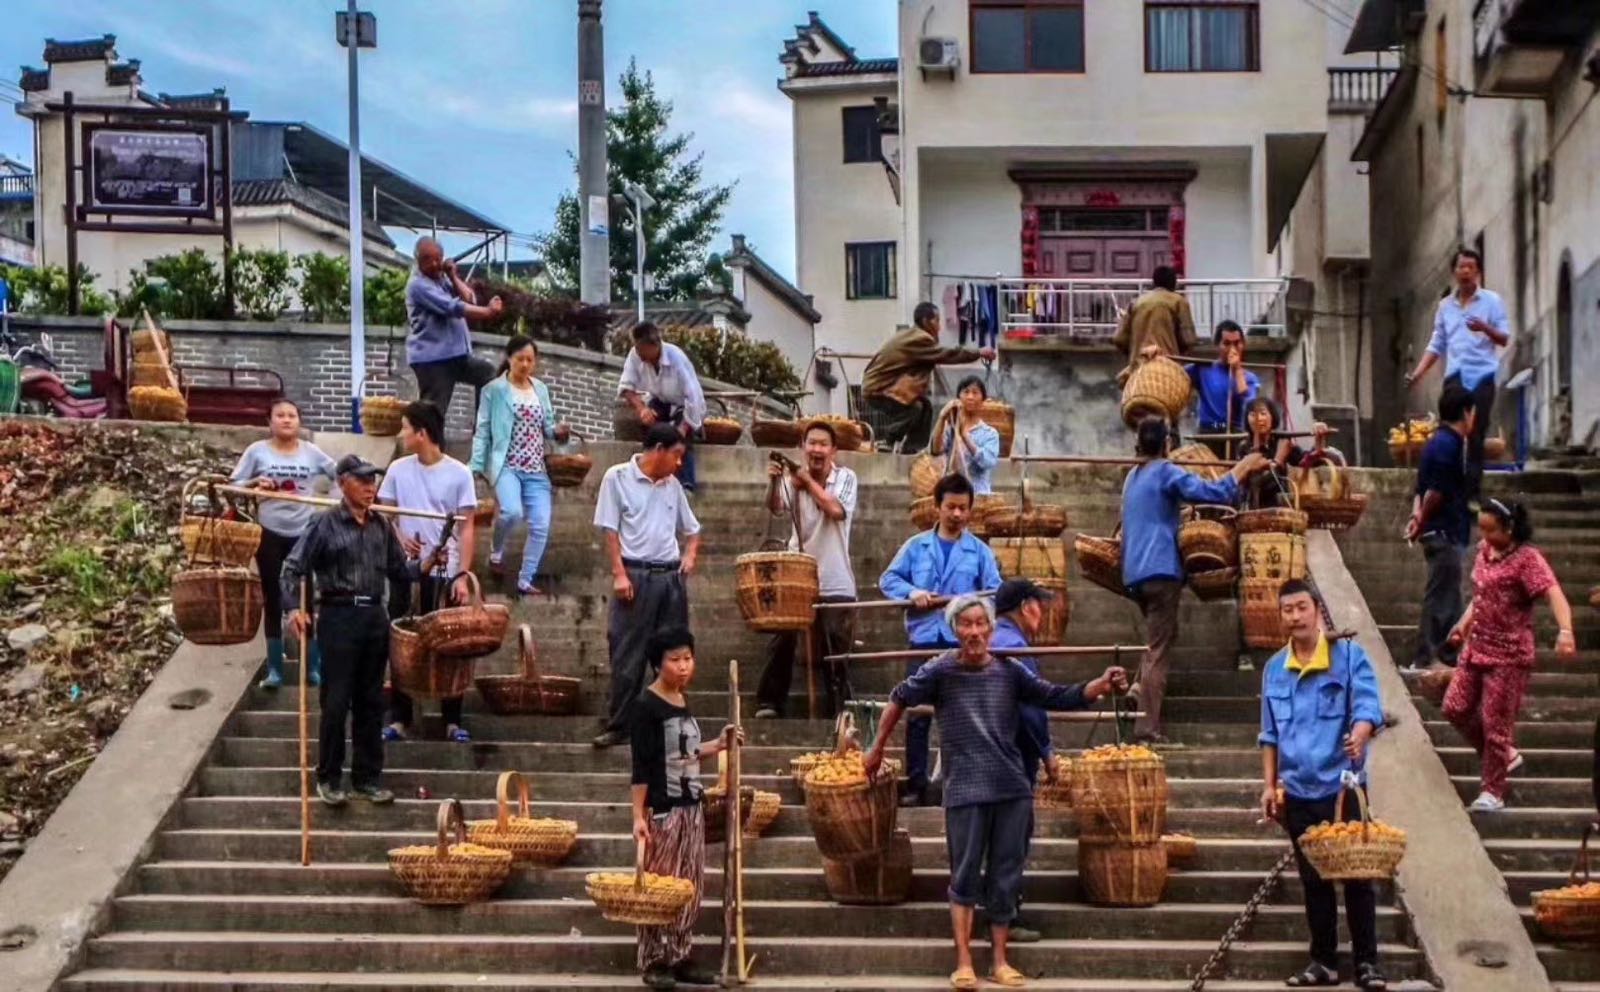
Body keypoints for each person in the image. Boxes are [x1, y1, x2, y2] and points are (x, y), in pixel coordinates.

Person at [862, 594, 1128, 991]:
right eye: (965, 625)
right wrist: (876, 747)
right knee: (965, 874)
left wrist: (1098, 686)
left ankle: (1000, 961)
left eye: (979, 624)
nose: (973, 632)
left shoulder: (1009, 670)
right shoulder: (940, 670)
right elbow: (899, 697)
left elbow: (1054, 696)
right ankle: (965, 961)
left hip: (1011, 787)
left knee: (1006, 874)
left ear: (990, 629)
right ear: (955, 631)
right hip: (966, 788)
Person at [1258, 580, 1386, 991]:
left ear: (1318, 610)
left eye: (1301, 607)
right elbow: (1269, 734)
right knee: (1313, 882)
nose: (1294, 616)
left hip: (1343, 788)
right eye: (1287, 610)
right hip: (1298, 790)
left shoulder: (1348, 657)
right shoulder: (1274, 669)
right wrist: (1268, 785)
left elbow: (1368, 704)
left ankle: (1367, 963)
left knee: (1358, 878)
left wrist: (1362, 731)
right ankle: (1324, 962)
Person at [282, 455, 423, 807]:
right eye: (361, 480)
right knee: (336, 700)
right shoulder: (324, 524)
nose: (369, 487)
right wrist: (294, 609)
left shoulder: (381, 526)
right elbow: (292, 568)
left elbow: (400, 571)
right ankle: (329, 777)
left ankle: (367, 778)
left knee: (371, 701)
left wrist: (429, 561)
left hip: (374, 614)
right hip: (338, 614)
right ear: (343, 482)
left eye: (372, 481)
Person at [1122, 417, 1269, 744]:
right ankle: (1146, 728)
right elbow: (1212, 492)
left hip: (1134, 570)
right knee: (1159, 647)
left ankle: (1137, 687)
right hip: (1160, 569)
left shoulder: (1133, 476)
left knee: (1160, 635)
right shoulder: (1165, 470)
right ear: (1167, 444)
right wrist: (1242, 467)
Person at [1442, 499, 1577, 811]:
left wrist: (1565, 631)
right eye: (1482, 528)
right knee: (1455, 706)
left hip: (1509, 655)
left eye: (1491, 529)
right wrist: (1462, 626)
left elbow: (1554, 593)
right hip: (1476, 647)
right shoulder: (1484, 552)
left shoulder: (1527, 559)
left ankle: (1493, 791)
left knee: (1495, 724)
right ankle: (1507, 755)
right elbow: (1481, 596)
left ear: (1510, 528)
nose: (1484, 535)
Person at [879, 473, 1004, 805]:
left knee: (963, 714)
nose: (957, 515)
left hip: (960, 644)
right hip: (923, 638)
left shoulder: (979, 552)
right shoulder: (916, 546)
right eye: (951, 507)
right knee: (917, 712)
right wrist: (913, 592)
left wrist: (970, 611)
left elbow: (994, 592)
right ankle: (918, 784)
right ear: (937, 507)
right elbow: (888, 579)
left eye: (963, 508)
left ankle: (960, 783)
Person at [629, 627, 738, 990]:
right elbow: (642, 766)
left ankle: (680, 954)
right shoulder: (646, 706)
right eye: (674, 660)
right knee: (661, 886)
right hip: (663, 810)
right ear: (658, 664)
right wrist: (637, 817)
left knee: (689, 885)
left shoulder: (681, 700)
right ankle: (653, 960)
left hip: (692, 807)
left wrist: (719, 744)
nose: (682, 666)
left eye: (687, 658)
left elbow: (686, 753)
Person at [592, 423, 702, 748]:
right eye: (676, 455)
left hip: (670, 576)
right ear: (658, 450)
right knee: (627, 654)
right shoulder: (617, 477)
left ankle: (668, 724)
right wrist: (619, 573)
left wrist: (690, 554)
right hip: (635, 574)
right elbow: (610, 530)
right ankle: (620, 724)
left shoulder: (673, 487)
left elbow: (693, 529)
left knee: (674, 653)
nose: (679, 463)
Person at [379, 401, 477, 744]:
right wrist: (400, 538)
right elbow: (385, 515)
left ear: (422, 433)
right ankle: (401, 717)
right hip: (407, 571)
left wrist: (462, 574)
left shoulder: (459, 473)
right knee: (404, 643)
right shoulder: (398, 470)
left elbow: (466, 528)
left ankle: (452, 718)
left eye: (405, 427)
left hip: (445, 570)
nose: (402, 434)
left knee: (452, 644)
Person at [754, 420, 859, 719]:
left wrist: (806, 482)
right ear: (803, 448)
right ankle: (770, 702)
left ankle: (841, 710)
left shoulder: (846, 477)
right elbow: (775, 507)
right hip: (796, 575)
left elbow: (836, 510)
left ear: (833, 450)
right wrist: (776, 481)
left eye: (823, 444)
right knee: (782, 637)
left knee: (836, 650)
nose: (816, 449)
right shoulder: (792, 480)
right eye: (811, 443)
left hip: (836, 577)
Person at [230, 398, 336, 689]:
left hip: (304, 533)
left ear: (299, 421)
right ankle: (275, 669)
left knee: (306, 596)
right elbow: (233, 484)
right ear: (270, 421)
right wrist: (255, 484)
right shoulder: (257, 451)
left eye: (292, 415)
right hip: (270, 532)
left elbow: (340, 473)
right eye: (280, 415)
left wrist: (333, 504)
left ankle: (312, 666)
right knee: (273, 598)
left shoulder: (312, 452)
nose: (287, 420)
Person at [987, 578, 1060, 945]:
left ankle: (993, 910)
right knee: (1011, 838)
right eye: (1040, 604)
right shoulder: (1015, 647)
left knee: (992, 837)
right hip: (1013, 755)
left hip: (984, 756)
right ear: (1027, 606)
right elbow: (1031, 709)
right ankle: (1005, 916)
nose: (1042, 612)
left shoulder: (989, 641)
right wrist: (1047, 752)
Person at [1404, 247, 1509, 504]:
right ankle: (1437, 486)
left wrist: (1484, 327)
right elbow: (1436, 345)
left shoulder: (1492, 301)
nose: (1465, 272)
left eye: (1470, 267)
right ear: (1454, 271)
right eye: (1461, 267)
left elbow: (1504, 338)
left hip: (1482, 376)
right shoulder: (1445, 307)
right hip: (1455, 377)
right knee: (1446, 433)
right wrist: (1418, 373)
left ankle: (1471, 495)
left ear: (1478, 272)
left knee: (1475, 435)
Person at [470, 335, 571, 596]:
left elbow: (547, 425)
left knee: (541, 524)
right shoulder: (493, 390)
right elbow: (482, 430)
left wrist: (558, 431)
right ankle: (496, 550)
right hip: (507, 465)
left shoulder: (540, 389)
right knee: (512, 512)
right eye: (520, 359)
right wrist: (476, 465)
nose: (525, 364)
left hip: (536, 468)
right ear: (509, 359)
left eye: (530, 360)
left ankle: (525, 579)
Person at [1404, 384, 1476, 671]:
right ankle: (1425, 658)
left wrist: (1416, 517)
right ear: (1466, 413)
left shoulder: (1437, 442)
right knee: (1440, 598)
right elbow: (1436, 492)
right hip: (1444, 531)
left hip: (1439, 530)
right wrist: (1420, 521)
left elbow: (1420, 491)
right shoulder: (1450, 445)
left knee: (1449, 596)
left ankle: (1449, 657)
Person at [861, 302, 995, 452]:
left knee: (925, 407)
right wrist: (978, 353)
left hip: (884, 385)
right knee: (914, 408)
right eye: (937, 321)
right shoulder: (920, 339)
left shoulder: (912, 335)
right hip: (879, 388)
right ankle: (888, 440)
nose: (939, 326)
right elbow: (948, 354)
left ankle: (913, 449)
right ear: (926, 321)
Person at [405, 236, 505, 421]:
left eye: (438, 258)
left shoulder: (440, 280)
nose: (435, 264)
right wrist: (488, 312)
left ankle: (481, 432)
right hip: (433, 360)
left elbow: (468, 298)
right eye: (428, 259)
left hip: (455, 356)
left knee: (487, 375)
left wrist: (452, 275)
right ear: (417, 260)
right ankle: (429, 449)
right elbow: (453, 308)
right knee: (433, 416)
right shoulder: (418, 285)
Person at [618, 322, 707, 492]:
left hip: (685, 404)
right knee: (651, 432)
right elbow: (626, 388)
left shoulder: (676, 358)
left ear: (655, 345)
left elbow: (694, 397)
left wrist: (682, 429)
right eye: (637, 349)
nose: (640, 354)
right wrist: (642, 409)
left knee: (677, 439)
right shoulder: (635, 355)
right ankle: (650, 474)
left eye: (642, 349)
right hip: (659, 401)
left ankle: (686, 484)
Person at [1238, 398, 1339, 511]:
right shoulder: (1244, 448)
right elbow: (1257, 485)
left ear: (1272, 417)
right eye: (1252, 414)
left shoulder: (1281, 442)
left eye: (1263, 413)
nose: (1258, 419)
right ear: (1247, 420)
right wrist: (1278, 460)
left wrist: (1319, 440)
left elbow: (1308, 463)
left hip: (1281, 508)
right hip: (1254, 509)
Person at [1112, 265, 1197, 386]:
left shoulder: (1137, 302)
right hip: (1167, 370)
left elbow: (1119, 338)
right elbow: (1189, 339)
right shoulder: (1178, 301)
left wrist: (1134, 352)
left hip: (1138, 370)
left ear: (1154, 282)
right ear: (1173, 283)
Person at [1188, 319, 1258, 459]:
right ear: (1217, 345)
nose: (1232, 349)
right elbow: (1175, 374)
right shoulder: (1203, 369)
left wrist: (1237, 369)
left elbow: (1249, 403)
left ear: (1243, 345)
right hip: (1208, 433)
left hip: (1236, 434)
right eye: (1227, 344)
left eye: (1237, 343)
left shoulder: (1249, 378)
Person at [931, 375, 1002, 495]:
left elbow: (987, 461)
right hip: (952, 494)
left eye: (975, 393)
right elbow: (935, 450)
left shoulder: (989, 433)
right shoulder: (950, 428)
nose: (970, 397)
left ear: (983, 400)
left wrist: (964, 435)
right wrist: (942, 417)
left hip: (978, 495)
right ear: (959, 397)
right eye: (966, 392)